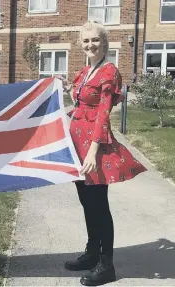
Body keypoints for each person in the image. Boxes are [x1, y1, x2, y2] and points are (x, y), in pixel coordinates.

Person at [59, 21, 147, 286]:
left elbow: (103, 115)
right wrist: (63, 90)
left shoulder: (109, 72)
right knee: (87, 202)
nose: (90, 45)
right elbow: (83, 103)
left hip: (93, 148)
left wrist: (93, 153)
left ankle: (106, 264)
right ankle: (92, 252)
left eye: (95, 40)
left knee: (99, 205)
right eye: (85, 41)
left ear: (104, 42)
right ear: (80, 44)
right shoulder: (87, 70)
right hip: (78, 143)